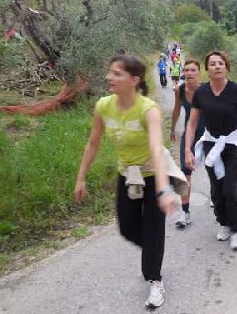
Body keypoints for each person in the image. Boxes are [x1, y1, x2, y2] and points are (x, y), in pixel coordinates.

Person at [73, 55, 176, 309]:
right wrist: (81, 178)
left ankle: (155, 279)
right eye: (110, 72)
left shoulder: (148, 109)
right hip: (128, 175)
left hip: (153, 174)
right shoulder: (103, 106)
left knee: (152, 229)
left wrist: (163, 189)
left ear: (134, 80)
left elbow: (156, 149)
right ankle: (154, 250)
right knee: (127, 228)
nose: (109, 77)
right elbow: (93, 143)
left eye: (117, 73)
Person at [185, 51, 237, 251]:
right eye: (213, 64)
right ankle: (224, 222)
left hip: (233, 146)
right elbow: (192, 123)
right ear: (207, 69)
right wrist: (188, 150)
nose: (217, 66)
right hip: (211, 145)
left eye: (221, 63)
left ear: (226, 67)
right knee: (216, 191)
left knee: (229, 190)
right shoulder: (201, 92)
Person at [170, 59, 206, 227]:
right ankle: (185, 212)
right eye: (186, 70)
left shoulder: (206, 89)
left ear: (199, 72)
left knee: (214, 169)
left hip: (208, 134)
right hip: (189, 134)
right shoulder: (180, 90)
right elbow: (177, 110)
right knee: (185, 173)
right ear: (183, 72)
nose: (189, 73)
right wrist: (172, 129)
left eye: (193, 70)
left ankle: (217, 199)